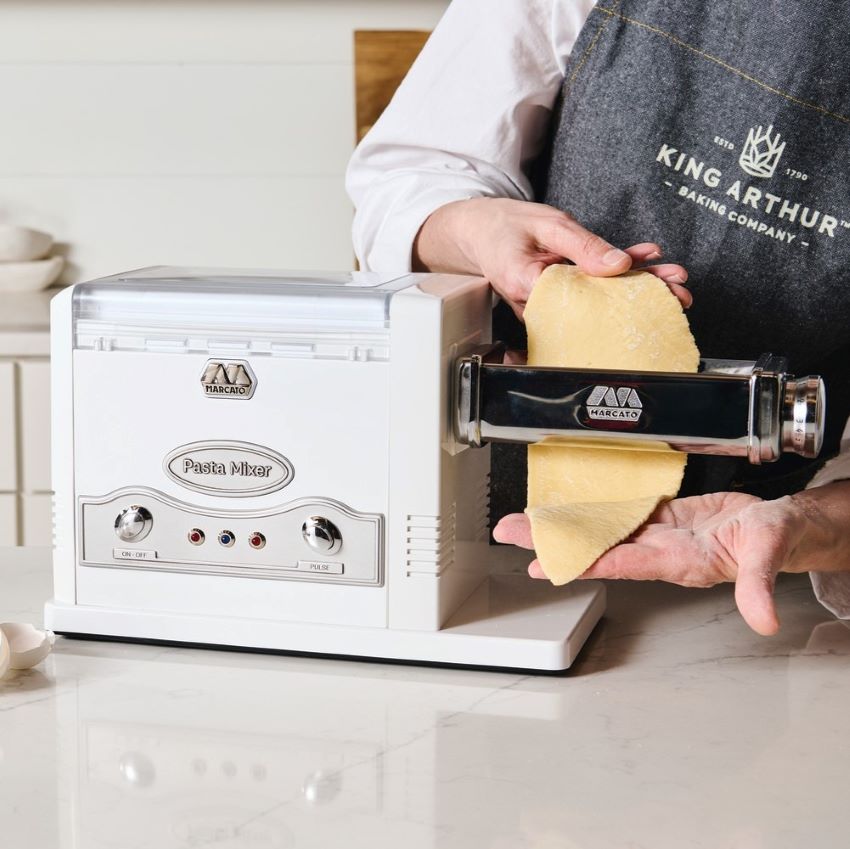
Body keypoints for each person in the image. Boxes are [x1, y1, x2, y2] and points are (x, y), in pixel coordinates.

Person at [346, 0, 850, 635]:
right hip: (462, 544)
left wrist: (817, 524)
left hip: (768, 572)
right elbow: (410, 180)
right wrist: (475, 229)